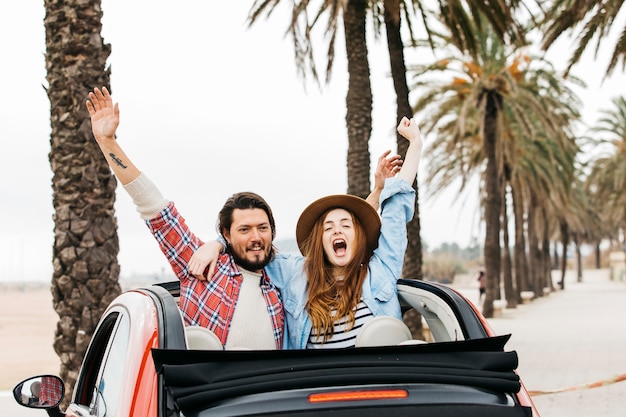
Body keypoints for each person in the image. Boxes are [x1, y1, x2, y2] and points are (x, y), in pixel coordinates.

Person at [191, 116, 423, 349]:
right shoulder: (296, 274)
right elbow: (252, 246)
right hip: (315, 383)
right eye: (328, 228)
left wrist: (415, 143)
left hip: (376, 380)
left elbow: (396, 209)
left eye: (345, 226)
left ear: (357, 236)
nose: (337, 231)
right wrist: (218, 244)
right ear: (320, 241)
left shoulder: (380, 271)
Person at [86, 86, 285, 350]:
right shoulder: (202, 268)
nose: (256, 237)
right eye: (245, 229)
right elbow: (153, 207)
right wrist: (108, 143)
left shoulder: (284, 283)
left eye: (262, 228)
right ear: (226, 234)